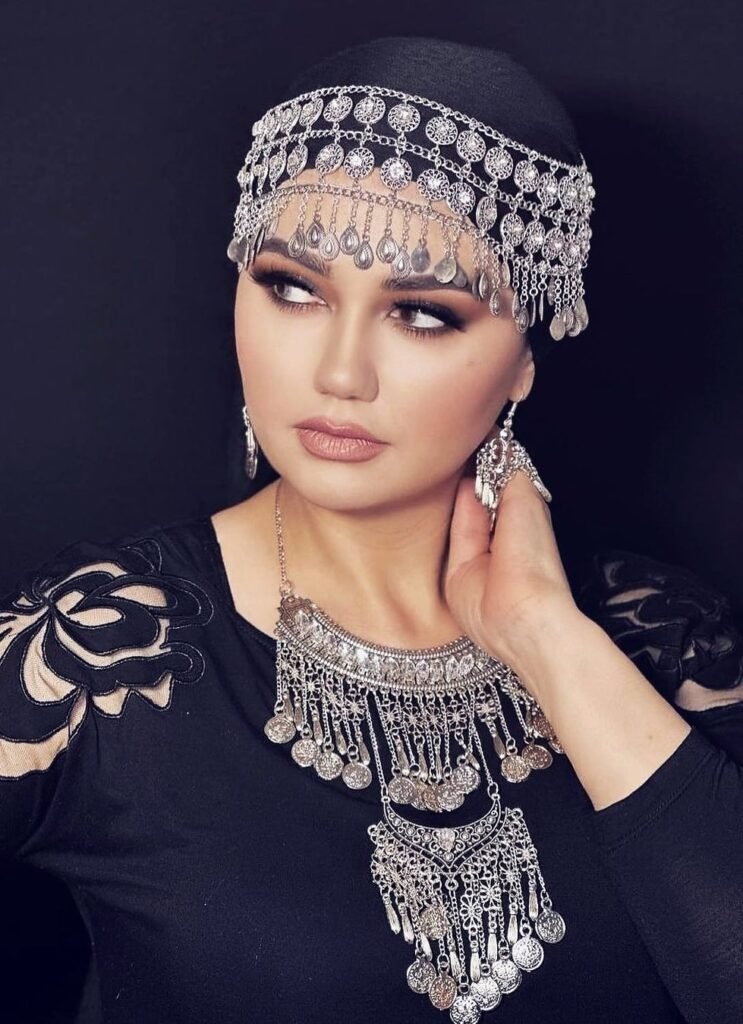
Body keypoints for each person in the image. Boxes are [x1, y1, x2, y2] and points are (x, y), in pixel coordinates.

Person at [1, 35, 742, 1024]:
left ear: (522, 358)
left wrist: (548, 636)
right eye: (291, 287)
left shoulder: (666, 641)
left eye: (422, 314)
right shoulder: (98, 655)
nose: (339, 372)